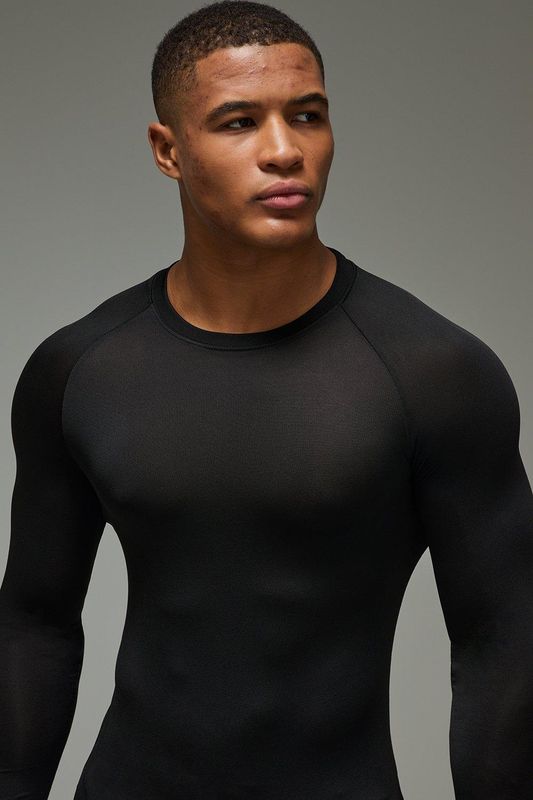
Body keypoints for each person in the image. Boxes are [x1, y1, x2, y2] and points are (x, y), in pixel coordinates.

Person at [1, 1, 532, 798]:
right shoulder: (79, 368)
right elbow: (34, 624)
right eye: (239, 122)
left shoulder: (434, 372)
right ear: (168, 151)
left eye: (307, 115)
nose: (285, 151)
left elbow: (504, 643)